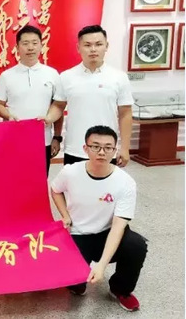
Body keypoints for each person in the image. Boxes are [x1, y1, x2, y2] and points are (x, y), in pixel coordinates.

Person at [50, 126, 147, 312]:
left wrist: (102, 265)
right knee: (75, 285)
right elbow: (55, 190)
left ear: (114, 150)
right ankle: (77, 281)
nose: (102, 152)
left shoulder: (125, 182)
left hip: (107, 232)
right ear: (85, 148)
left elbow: (118, 227)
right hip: (78, 233)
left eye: (108, 147)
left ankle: (121, 289)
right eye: (95, 146)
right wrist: (65, 215)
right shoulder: (70, 172)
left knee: (136, 245)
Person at [43, 25, 133, 166]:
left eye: (98, 44)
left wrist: (125, 148)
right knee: (73, 181)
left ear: (106, 46)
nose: (93, 49)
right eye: (87, 45)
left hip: (106, 149)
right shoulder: (66, 76)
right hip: (75, 148)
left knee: (105, 181)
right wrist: (48, 118)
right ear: (78, 48)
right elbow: (59, 106)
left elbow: (125, 113)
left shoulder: (119, 77)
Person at [0, 25, 63, 175]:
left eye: (34, 43)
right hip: (12, 139)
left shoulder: (52, 74)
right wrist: (8, 115)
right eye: (25, 43)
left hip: (43, 140)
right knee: (13, 179)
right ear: (17, 48)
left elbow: (58, 105)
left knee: (39, 180)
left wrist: (57, 137)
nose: (30, 48)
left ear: (41, 46)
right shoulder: (6, 76)